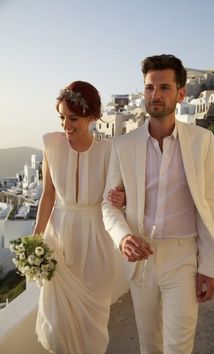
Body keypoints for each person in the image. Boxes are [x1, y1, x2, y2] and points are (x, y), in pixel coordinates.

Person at [102, 54, 214, 354]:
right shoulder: (122, 145)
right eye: (149, 88)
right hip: (140, 259)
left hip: (183, 258)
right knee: (149, 345)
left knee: (177, 347)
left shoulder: (202, 140)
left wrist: (208, 265)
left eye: (164, 88)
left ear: (181, 93)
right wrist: (123, 238)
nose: (155, 95)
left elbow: (210, 202)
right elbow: (109, 205)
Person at [34, 80, 125, 354]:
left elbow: (118, 198)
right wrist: (35, 239)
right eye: (62, 117)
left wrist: (125, 199)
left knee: (91, 325)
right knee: (58, 325)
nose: (66, 125)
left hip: (96, 243)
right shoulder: (51, 144)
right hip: (59, 241)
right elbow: (48, 195)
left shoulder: (110, 151)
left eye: (73, 118)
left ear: (93, 117)